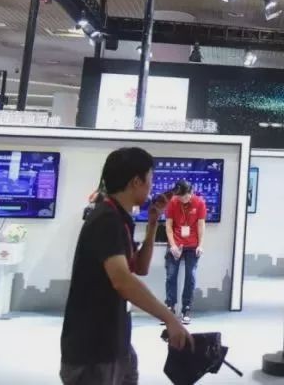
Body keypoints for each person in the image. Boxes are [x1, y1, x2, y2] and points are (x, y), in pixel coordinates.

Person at [60, 147, 191, 385]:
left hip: (114, 340)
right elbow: (122, 280)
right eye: (150, 179)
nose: (151, 186)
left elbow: (140, 267)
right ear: (136, 182)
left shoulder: (120, 218)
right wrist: (170, 318)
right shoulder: (107, 219)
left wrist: (153, 223)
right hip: (94, 350)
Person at [164, 179, 206, 325]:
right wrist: (172, 246)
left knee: (190, 276)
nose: (183, 199)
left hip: (192, 245)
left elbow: (201, 225)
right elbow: (168, 226)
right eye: (180, 197)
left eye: (185, 196)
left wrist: (200, 245)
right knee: (171, 275)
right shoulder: (172, 202)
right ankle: (170, 307)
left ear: (191, 192)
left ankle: (186, 308)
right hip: (175, 243)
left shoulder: (199, 203)